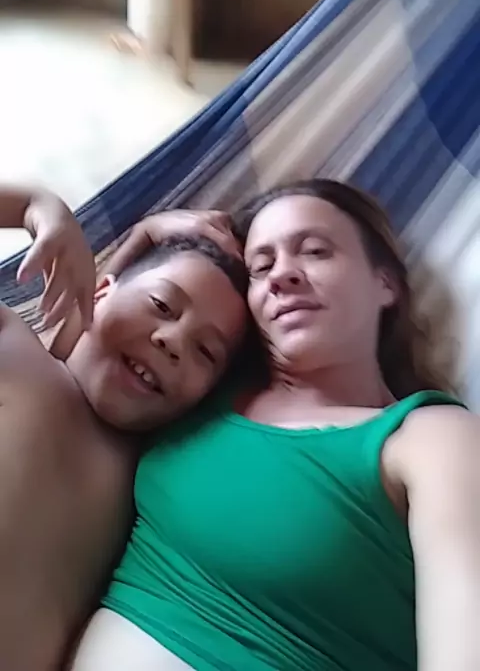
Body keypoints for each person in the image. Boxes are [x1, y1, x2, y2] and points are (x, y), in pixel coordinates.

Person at [71, 178, 480, 671]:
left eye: (315, 251)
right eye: (260, 267)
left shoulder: (429, 437)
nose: (282, 274)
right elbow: (95, 337)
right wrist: (147, 234)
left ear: (385, 283)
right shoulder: (203, 387)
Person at [0, 184, 248, 671]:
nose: (172, 341)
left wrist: (144, 238)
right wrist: (33, 205)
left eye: (206, 352)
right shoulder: (14, 350)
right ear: (99, 291)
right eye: (162, 305)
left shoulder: (151, 484)